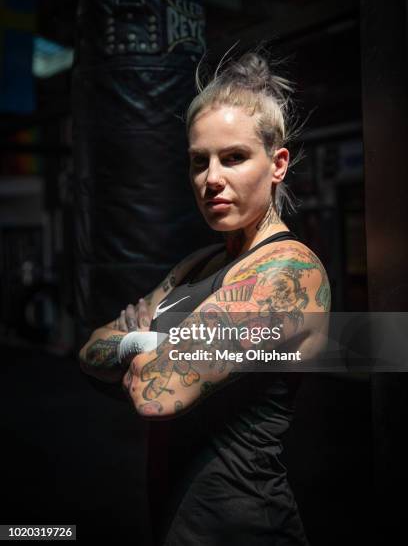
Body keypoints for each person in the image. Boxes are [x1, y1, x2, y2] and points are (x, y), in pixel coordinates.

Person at [79, 49, 330, 545]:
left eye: (234, 157)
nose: (210, 178)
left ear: (277, 164)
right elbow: (90, 351)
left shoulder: (289, 272)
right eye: (199, 162)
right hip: (175, 522)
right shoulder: (197, 266)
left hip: (248, 528)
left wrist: (143, 334)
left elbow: (160, 393)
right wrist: (147, 347)